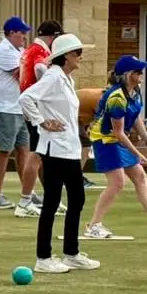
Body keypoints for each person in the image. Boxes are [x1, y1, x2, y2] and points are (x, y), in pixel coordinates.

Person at [18, 33, 97, 273]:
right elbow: (26, 98)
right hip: (55, 148)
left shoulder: (66, 79)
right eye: (78, 53)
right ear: (67, 56)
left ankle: (71, 253)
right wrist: (41, 121)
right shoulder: (53, 76)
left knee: (76, 199)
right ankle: (43, 258)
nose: (81, 57)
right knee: (53, 201)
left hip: (68, 148)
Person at [82, 56, 147, 240]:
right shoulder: (116, 97)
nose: (141, 73)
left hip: (117, 139)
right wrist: (138, 153)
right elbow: (118, 132)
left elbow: (135, 118)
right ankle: (94, 225)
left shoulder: (135, 92)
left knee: (139, 176)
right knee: (117, 182)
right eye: (137, 71)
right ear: (127, 75)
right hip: (105, 139)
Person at [0, 17, 39, 215]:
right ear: (11, 33)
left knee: (24, 150)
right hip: (2, 108)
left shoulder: (20, 51)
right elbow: (22, 75)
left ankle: (28, 193)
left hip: (17, 107)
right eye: (21, 32)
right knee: (4, 151)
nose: (24, 36)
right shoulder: (4, 50)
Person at [17, 19, 62, 208]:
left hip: (31, 106)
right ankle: (26, 199)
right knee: (37, 154)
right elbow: (40, 68)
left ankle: (48, 196)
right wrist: (49, 87)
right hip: (37, 107)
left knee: (41, 154)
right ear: (53, 37)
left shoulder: (29, 50)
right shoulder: (40, 52)